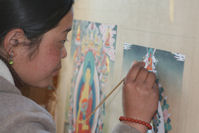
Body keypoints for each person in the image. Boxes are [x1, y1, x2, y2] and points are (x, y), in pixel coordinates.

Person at [0, 0, 159, 133]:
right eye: (62, 41)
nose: (64, 53)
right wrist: (134, 123)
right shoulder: (18, 123)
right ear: (15, 42)